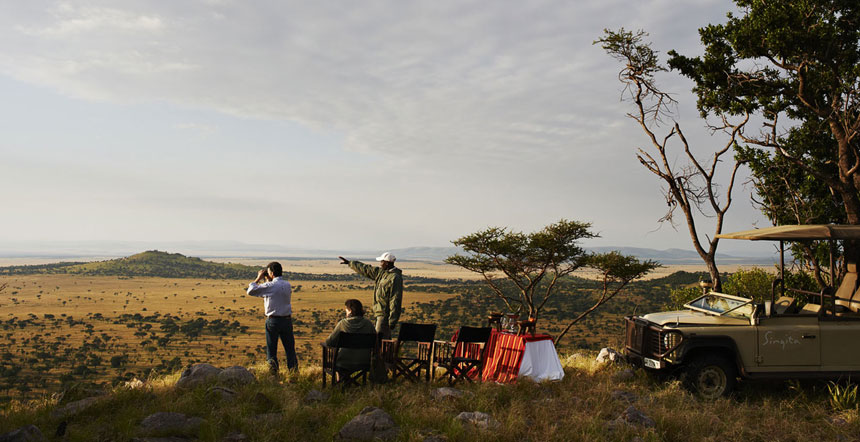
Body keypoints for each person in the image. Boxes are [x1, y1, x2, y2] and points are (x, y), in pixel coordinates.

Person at [246, 261, 298, 375]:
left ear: (272, 273)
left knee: (271, 350)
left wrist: (258, 278)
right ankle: (294, 373)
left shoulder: (269, 286)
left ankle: (273, 374)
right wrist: (268, 280)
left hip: (273, 321)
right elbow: (273, 294)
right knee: (290, 350)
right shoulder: (287, 284)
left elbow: (250, 291)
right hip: (287, 320)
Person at [339, 252, 403, 339]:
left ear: (387, 263)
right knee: (383, 339)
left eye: (382, 262)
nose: (380, 264)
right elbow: (367, 269)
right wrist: (351, 263)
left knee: (378, 340)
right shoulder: (382, 273)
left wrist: (392, 320)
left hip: (384, 315)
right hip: (379, 313)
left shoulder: (395, 278)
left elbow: (395, 299)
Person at [325, 299, 376, 371]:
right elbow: (375, 341)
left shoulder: (342, 323)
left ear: (350, 311)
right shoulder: (368, 324)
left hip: (343, 362)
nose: (345, 311)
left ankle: (340, 381)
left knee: (339, 361)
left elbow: (329, 342)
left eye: (346, 309)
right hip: (364, 362)